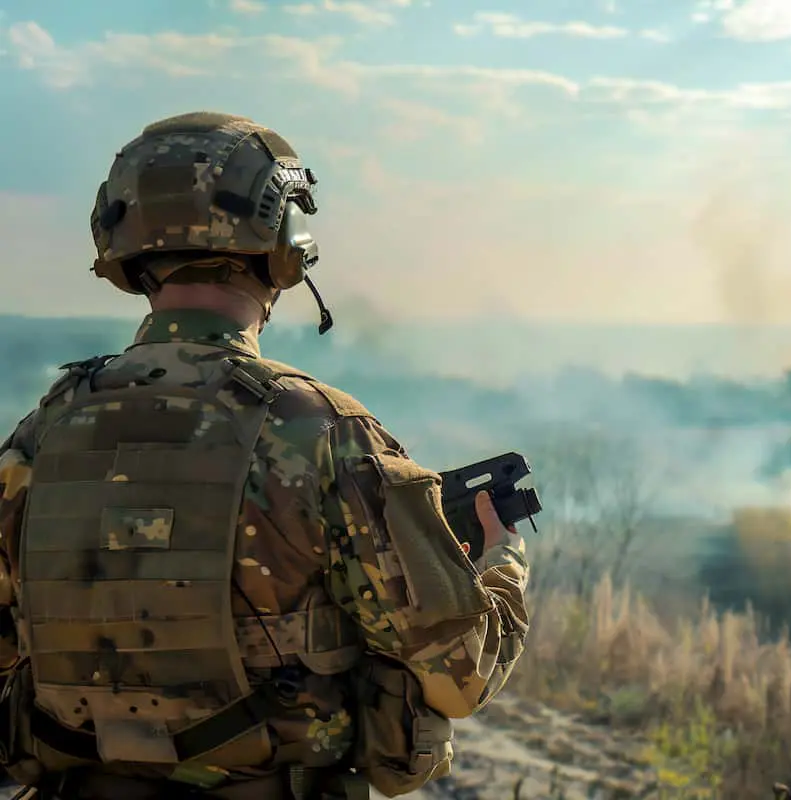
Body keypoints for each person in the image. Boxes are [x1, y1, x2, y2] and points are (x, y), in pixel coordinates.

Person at [0, 111, 531, 800]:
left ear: (120, 246)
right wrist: (501, 566)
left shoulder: (41, 434)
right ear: (286, 246)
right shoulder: (323, 432)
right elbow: (462, 678)